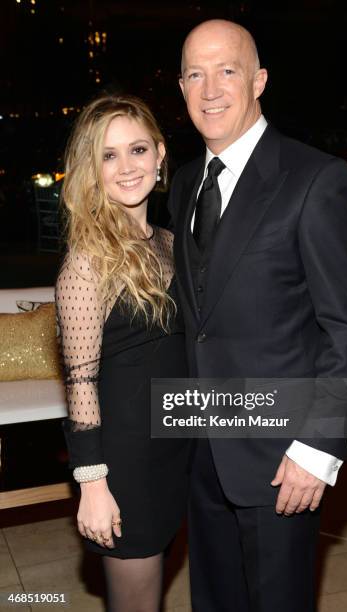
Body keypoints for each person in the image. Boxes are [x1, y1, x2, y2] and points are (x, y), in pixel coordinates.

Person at [168, 19, 347, 612]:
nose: (210, 89)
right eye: (195, 74)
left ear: (258, 80)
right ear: (180, 87)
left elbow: (345, 328)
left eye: (226, 70)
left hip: (282, 457)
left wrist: (316, 448)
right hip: (200, 447)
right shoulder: (183, 185)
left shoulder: (316, 180)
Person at [55, 95, 191, 612]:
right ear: (92, 169)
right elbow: (80, 381)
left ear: (159, 154)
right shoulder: (87, 261)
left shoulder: (172, 243)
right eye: (108, 156)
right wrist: (93, 484)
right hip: (127, 460)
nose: (127, 166)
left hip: (176, 443)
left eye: (136, 149)